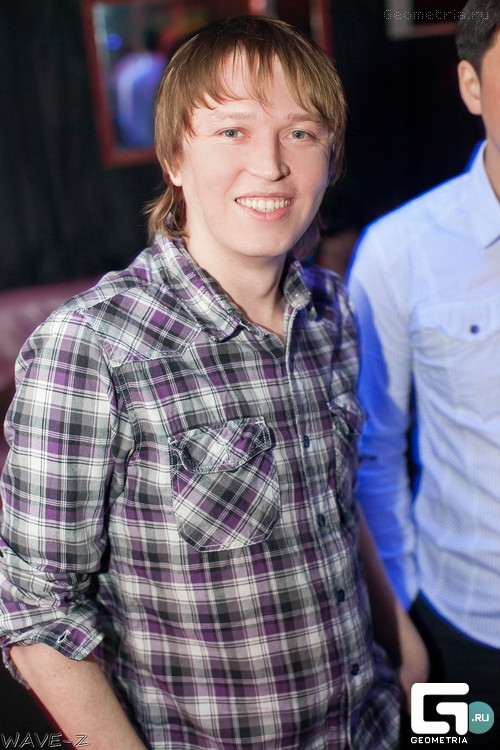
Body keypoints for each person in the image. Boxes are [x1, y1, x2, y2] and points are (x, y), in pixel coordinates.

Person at [0, 16, 423, 749]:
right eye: (232, 131)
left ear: (330, 158)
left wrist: (403, 643)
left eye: (301, 133)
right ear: (174, 156)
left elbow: (335, 497)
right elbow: (36, 617)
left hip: (371, 721)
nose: (271, 164)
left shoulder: (330, 311)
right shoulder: (91, 347)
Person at [348, 0, 500, 744]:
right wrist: (399, 611)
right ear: (473, 86)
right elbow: (368, 447)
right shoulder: (399, 249)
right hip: (463, 626)